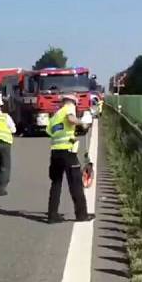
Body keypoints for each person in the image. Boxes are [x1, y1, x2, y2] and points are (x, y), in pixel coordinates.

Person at [46, 94, 92, 223]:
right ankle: (82, 215)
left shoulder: (55, 116)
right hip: (68, 152)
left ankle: (52, 215)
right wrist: (82, 124)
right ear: (73, 102)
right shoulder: (69, 108)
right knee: (76, 183)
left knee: (56, 184)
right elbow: (71, 119)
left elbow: (49, 131)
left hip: (55, 152)